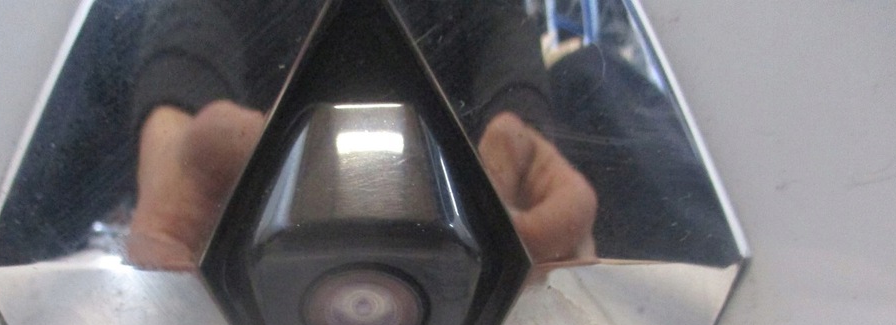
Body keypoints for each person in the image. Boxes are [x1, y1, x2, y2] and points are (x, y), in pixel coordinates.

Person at [126, 0, 597, 272]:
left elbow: (500, 26)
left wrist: (524, 133)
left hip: (462, 219)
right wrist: (174, 131)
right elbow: (191, 22)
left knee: (592, 76)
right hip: (248, 210)